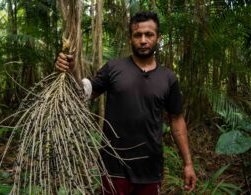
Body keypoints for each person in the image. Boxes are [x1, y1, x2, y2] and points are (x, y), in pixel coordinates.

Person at [55, 11, 197, 195]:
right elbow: (82, 93)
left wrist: (188, 164)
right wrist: (70, 70)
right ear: (130, 38)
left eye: (149, 35)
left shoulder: (168, 77)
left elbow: (177, 120)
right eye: (138, 35)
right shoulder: (114, 68)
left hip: (150, 168)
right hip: (114, 167)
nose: (143, 40)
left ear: (158, 38)